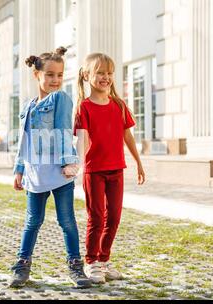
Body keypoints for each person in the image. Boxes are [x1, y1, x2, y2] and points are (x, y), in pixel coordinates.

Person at [10, 47, 92, 289]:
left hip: (59, 172)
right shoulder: (27, 106)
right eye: (50, 75)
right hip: (35, 173)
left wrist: (70, 162)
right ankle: (22, 265)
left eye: (59, 75)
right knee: (32, 221)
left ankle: (76, 266)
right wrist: (19, 168)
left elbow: (63, 130)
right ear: (37, 74)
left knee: (66, 221)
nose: (56, 80)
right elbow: (24, 140)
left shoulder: (61, 98)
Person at [74, 53, 146, 284]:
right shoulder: (83, 107)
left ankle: (104, 260)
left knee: (114, 217)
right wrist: (78, 164)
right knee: (96, 217)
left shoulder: (119, 105)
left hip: (116, 170)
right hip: (94, 171)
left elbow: (127, 135)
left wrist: (138, 161)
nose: (106, 77)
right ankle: (91, 262)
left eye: (109, 73)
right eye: (100, 73)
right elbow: (82, 140)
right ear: (87, 75)